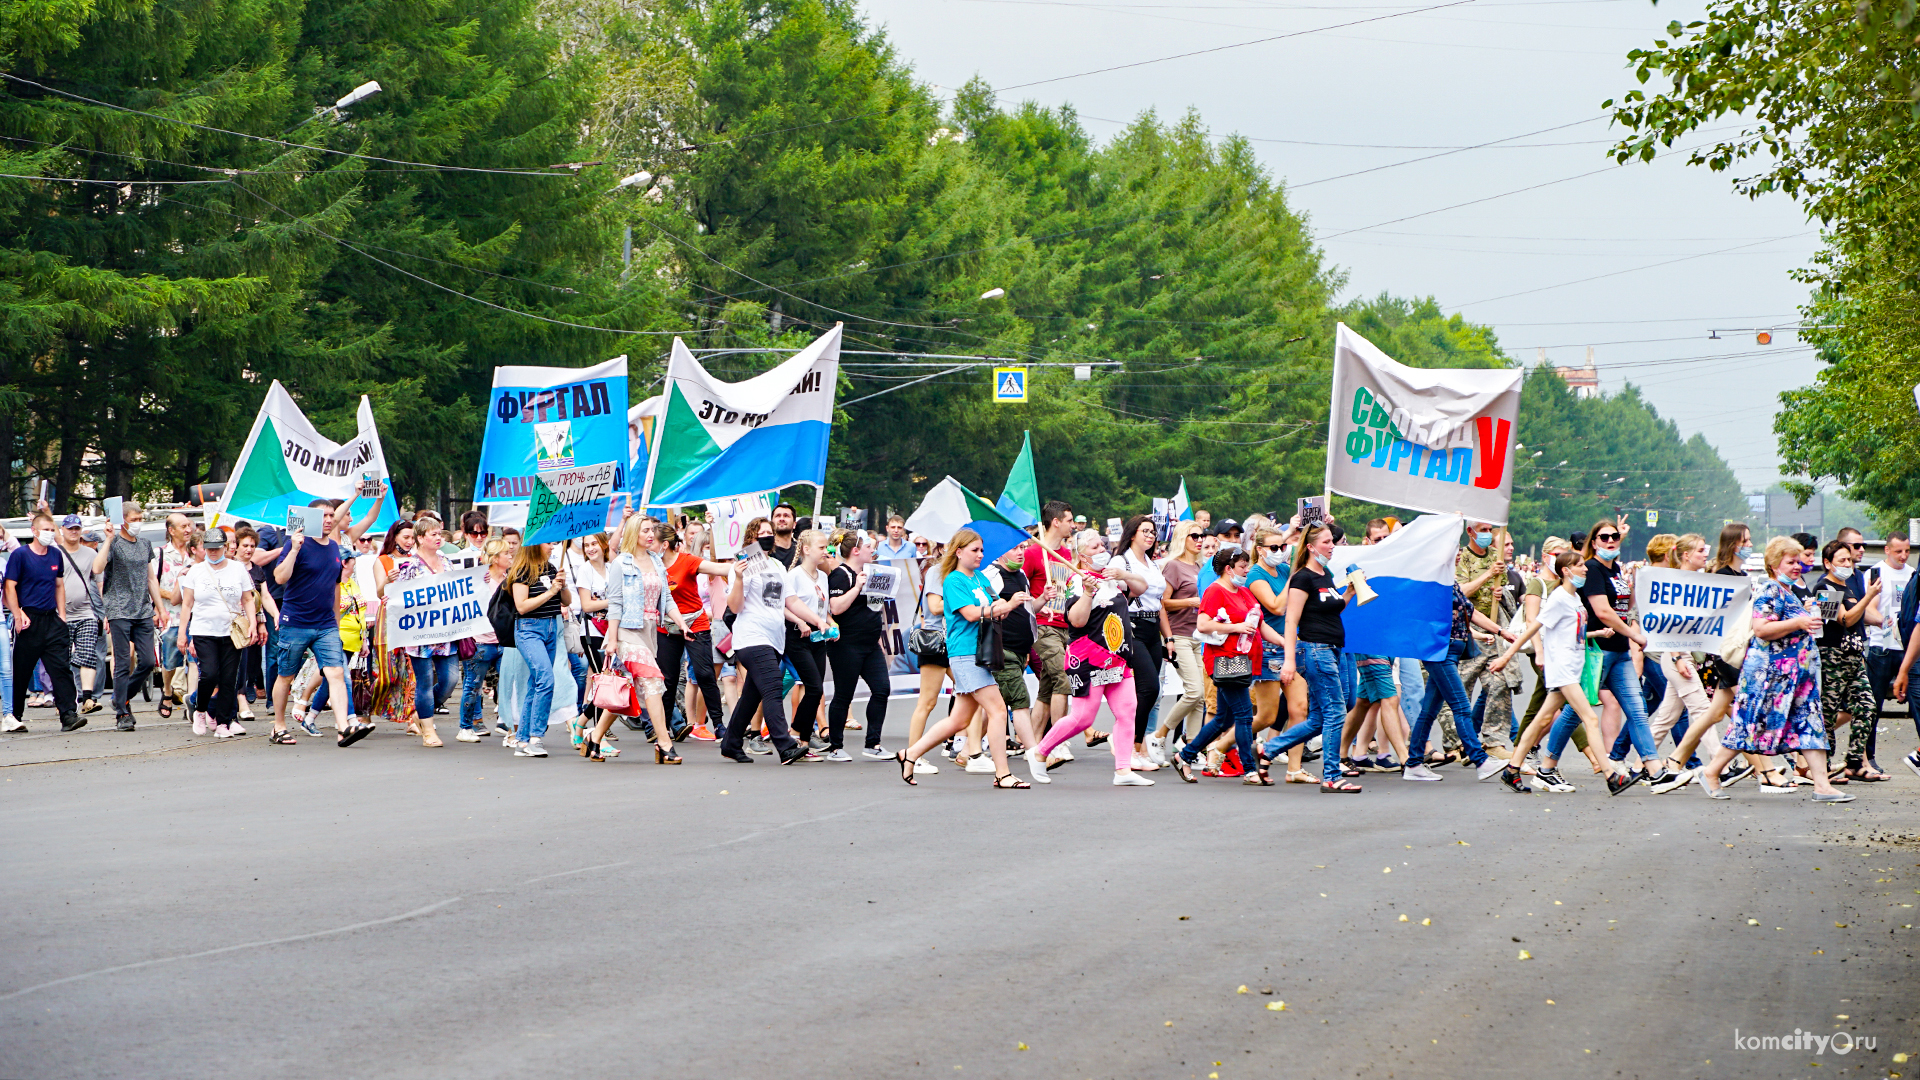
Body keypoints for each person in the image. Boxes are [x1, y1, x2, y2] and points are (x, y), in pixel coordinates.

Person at [1697, 537, 1853, 801]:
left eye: (1798, 562)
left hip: (1797, 679)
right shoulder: (1770, 590)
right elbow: (1761, 629)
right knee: (1749, 728)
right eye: (1790, 562)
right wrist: (1800, 621)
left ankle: (1822, 786)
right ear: (1773, 564)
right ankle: (1711, 772)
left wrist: (1803, 615)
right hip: (1769, 679)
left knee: (1811, 726)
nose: (1797, 567)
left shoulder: (1788, 591)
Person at [896, 529, 1043, 788]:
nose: (980, 555)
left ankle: (910, 754)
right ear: (958, 552)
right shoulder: (953, 580)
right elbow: (972, 613)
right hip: (965, 653)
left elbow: (996, 609)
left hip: (980, 653)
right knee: (997, 710)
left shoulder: (979, 579)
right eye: (975, 550)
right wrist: (1006, 606)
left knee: (959, 720)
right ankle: (1003, 773)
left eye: (982, 550)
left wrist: (1008, 606)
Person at [1497, 551, 1616, 794]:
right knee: (1590, 718)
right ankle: (1611, 775)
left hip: (1573, 667)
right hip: (1562, 669)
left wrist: (1597, 634)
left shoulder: (1574, 599)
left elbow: (1573, 632)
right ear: (1566, 570)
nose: (1585, 569)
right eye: (1580, 565)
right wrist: (1507, 656)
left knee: (1542, 718)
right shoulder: (1559, 598)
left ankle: (1512, 769)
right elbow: (1533, 628)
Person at [1260, 524, 1362, 792]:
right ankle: (1331, 775)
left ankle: (1269, 748)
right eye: (1327, 542)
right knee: (1336, 711)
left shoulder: (1325, 573)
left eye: (1332, 542)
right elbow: (1291, 619)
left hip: (1333, 648)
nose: (1332, 546)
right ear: (1311, 547)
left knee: (1320, 717)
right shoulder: (1302, 578)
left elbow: (1333, 607)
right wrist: (1290, 661)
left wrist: (1350, 593)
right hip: (1314, 649)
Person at [268, 501, 368, 747]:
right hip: (296, 622)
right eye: (323, 515)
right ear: (310, 518)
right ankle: (278, 726)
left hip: (326, 626)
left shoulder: (334, 547)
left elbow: (335, 586)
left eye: (331, 515)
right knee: (286, 676)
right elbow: (280, 577)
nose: (328, 519)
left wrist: (335, 623)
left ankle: (344, 728)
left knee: (336, 672)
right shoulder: (297, 544)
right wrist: (293, 550)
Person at [1172, 547, 1273, 784]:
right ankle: (1249, 769)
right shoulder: (1215, 591)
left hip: (1242, 661)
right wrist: (1235, 628)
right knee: (1245, 716)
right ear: (1228, 569)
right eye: (1242, 567)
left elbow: (1260, 626)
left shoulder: (1244, 592)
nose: (1247, 570)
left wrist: (1286, 643)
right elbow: (1203, 624)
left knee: (1223, 720)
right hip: (1226, 661)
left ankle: (1184, 756)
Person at [595, 516, 691, 763]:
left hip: (649, 631)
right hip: (627, 631)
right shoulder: (620, 563)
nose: (651, 535)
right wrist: (613, 639)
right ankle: (664, 744)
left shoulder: (657, 561)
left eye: (652, 531)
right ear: (634, 533)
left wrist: (681, 623)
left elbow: (667, 598)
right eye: (646, 530)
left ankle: (593, 737)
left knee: (628, 692)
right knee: (652, 682)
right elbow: (615, 604)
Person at [719, 537, 805, 765]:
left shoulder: (777, 566)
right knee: (774, 685)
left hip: (774, 639)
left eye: (770, 532)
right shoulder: (743, 565)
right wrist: (738, 576)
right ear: (752, 538)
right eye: (762, 532)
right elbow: (735, 607)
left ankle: (731, 742)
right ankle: (785, 745)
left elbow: (790, 601)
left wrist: (815, 620)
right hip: (751, 638)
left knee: (751, 696)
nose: (768, 536)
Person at [375, 515, 458, 742]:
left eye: (440, 534)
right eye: (433, 534)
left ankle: (422, 713)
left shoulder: (447, 561)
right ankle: (429, 730)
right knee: (423, 681)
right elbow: (396, 595)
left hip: (446, 631)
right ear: (421, 538)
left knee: (450, 679)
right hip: (420, 633)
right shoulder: (410, 566)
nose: (439, 538)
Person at [1810, 539, 1886, 781]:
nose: (1847, 564)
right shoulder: (1824, 589)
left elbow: (1858, 620)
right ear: (1827, 563)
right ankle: (1826, 767)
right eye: (1841, 560)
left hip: (1854, 656)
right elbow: (1844, 620)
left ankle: (1854, 762)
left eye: (1849, 560)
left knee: (1867, 706)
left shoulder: (1850, 588)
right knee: (1829, 712)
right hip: (1832, 657)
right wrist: (1870, 595)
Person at [93, 500, 168, 731]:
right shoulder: (114, 543)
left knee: (147, 661)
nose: (138, 524)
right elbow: (97, 569)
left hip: (142, 609)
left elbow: (151, 578)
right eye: (133, 520)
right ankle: (122, 713)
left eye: (139, 519)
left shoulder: (144, 544)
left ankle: (121, 697)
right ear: (123, 521)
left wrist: (160, 608)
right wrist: (107, 540)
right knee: (123, 662)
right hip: (118, 609)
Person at [175, 529, 257, 738]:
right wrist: (182, 633)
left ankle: (223, 723)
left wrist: (253, 624)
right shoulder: (196, 570)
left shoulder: (238, 569)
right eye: (209, 548)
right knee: (210, 674)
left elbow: (248, 599)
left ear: (226, 548)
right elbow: (187, 604)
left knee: (229, 678)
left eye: (217, 548)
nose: (212, 552)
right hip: (204, 630)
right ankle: (201, 710)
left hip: (231, 631)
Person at [5, 510, 79, 730]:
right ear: (34, 531)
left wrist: (62, 616)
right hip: (29, 618)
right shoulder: (21, 555)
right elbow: (10, 586)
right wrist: (18, 613)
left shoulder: (55, 555)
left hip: (51, 619)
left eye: (51, 530)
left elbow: (59, 585)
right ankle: (14, 716)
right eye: (44, 530)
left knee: (60, 668)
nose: (48, 534)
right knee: (22, 669)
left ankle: (68, 714)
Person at [657, 528, 731, 743]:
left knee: (705, 673)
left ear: (664, 545)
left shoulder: (687, 560)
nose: (648, 544)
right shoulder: (650, 565)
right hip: (667, 627)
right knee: (668, 680)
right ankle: (665, 727)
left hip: (695, 623)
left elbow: (718, 567)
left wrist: (746, 566)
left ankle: (718, 724)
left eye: (653, 542)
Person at [824, 529, 892, 761]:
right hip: (846, 644)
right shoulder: (840, 575)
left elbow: (874, 608)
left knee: (882, 689)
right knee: (844, 695)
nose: (873, 551)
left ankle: (873, 743)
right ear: (855, 551)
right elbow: (835, 608)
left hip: (870, 643)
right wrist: (857, 587)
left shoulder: (871, 573)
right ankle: (835, 747)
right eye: (869, 547)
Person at [1148, 520, 1206, 765]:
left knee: (1200, 696)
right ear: (1183, 537)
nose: (1200, 540)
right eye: (1194, 535)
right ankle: (1159, 735)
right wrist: (1190, 602)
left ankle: (1191, 749)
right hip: (1179, 634)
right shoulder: (1173, 565)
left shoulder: (1201, 567)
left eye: (1202, 535)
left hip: (1199, 636)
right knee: (1194, 690)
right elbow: (1162, 602)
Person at [507, 541, 570, 758]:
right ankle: (536, 736)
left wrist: (563, 585)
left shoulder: (551, 568)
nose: (552, 547)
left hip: (551, 627)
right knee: (546, 679)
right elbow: (522, 606)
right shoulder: (522, 570)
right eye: (548, 543)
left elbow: (567, 601)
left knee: (536, 683)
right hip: (529, 629)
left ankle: (523, 741)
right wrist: (551, 590)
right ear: (535, 544)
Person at [1022, 500, 1077, 739]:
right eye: (1069, 520)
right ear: (1056, 522)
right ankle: (1057, 740)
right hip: (1042, 626)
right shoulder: (1033, 553)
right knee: (1064, 680)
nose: (1073, 526)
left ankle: (1032, 745)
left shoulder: (1065, 554)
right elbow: (1020, 592)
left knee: (1047, 690)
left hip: (1064, 625)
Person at [1115, 514, 1167, 767]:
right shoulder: (1120, 561)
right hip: (1131, 625)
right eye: (1145, 531)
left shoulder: (1152, 563)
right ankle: (1131, 745)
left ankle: (1134, 744)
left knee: (1148, 692)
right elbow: (1113, 597)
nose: (1150, 535)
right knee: (1149, 688)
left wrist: (1168, 636)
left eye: (1153, 532)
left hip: (1153, 626)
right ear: (1132, 533)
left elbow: (1160, 604)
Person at [783, 529, 835, 756]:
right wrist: (801, 621)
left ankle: (803, 741)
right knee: (812, 686)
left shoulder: (822, 576)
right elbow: (784, 605)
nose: (826, 551)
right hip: (798, 635)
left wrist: (832, 625)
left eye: (826, 547)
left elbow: (824, 610)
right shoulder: (794, 575)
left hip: (818, 637)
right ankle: (795, 731)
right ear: (806, 549)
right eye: (822, 547)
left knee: (817, 689)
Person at [454, 539, 512, 742]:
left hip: (504, 641)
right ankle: (465, 727)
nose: (510, 555)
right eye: (506, 553)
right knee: (473, 685)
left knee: (508, 682)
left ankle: (507, 723)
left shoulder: (510, 578)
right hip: (480, 642)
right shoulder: (479, 579)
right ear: (496, 558)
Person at [1864, 532, 1911, 777]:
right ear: (1887, 550)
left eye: (1907, 551)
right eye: (1898, 551)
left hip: (1907, 647)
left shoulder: (1913, 573)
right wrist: (1887, 623)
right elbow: (1868, 608)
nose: (1903, 556)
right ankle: (1867, 757)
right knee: (1873, 704)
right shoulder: (1875, 573)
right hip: (1880, 646)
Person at [52, 515, 104, 716]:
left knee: (87, 654)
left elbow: (99, 581)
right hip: (59, 614)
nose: (73, 531)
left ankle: (88, 698)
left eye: (77, 528)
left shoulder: (90, 553)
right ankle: (65, 700)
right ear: (62, 530)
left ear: (81, 531)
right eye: (70, 528)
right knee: (61, 659)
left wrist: (105, 612)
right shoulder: (55, 553)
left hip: (86, 612)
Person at [765, 503, 800, 568]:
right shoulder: (764, 550)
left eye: (786, 516)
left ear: (794, 524)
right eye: (778, 516)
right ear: (771, 523)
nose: (781, 519)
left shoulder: (802, 551)